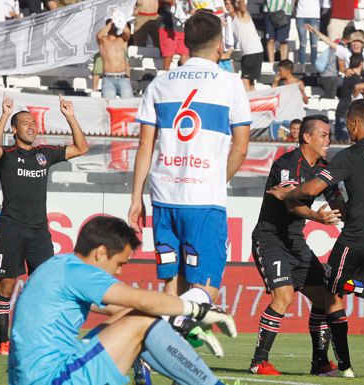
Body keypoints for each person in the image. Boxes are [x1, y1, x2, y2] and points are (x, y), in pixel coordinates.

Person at [269, 99, 364, 379]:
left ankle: (345, 367)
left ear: (354, 123)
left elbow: (314, 187)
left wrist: (287, 194)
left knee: (331, 296)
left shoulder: (350, 156)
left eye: (347, 125)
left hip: (357, 238)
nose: (345, 131)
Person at [129, 12, 251, 358]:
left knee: (173, 284)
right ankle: (172, 327)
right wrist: (215, 180)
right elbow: (241, 147)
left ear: (185, 41)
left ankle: (167, 362)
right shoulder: (229, 84)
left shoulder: (161, 83)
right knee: (207, 285)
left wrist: (136, 198)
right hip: (203, 199)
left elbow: (144, 146)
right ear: (221, 43)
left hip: (163, 198)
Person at [8, 216, 234, 385]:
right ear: (101, 252)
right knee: (142, 320)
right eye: (120, 263)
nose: (118, 272)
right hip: (54, 379)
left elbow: (125, 307)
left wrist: (178, 320)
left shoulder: (59, 266)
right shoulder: (80, 273)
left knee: (134, 316)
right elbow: (144, 301)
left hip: (39, 376)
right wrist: (199, 310)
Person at [0, 94, 89, 355]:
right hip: (11, 229)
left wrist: (70, 117)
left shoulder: (44, 154)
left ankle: (42, 340)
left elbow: (81, 148)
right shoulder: (7, 155)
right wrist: (5, 114)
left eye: (34, 123)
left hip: (40, 233)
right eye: (26, 123)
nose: (32, 127)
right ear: (15, 129)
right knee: (6, 286)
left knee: (44, 286)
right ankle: (3, 341)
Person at [248, 116, 348, 377]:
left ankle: (319, 363)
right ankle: (259, 362)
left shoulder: (324, 168)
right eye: (324, 135)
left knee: (324, 298)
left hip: (296, 241)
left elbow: (338, 203)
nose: (329, 139)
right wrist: (317, 217)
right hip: (271, 239)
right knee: (284, 297)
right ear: (307, 137)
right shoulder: (287, 164)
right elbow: (289, 202)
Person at [227, 0, 264, 90]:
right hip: (249, 52)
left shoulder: (242, 14)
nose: (227, 6)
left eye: (229, 4)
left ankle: (249, 101)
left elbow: (242, 5)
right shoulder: (229, 19)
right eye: (226, 4)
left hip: (252, 51)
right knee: (250, 82)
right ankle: (253, 100)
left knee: (245, 80)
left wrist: (239, 2)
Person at [97, 13, 133, 99]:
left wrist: (120, 22)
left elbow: (128, 33)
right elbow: (99, 35)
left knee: (127, 105)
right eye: (112, 23)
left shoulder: (122, 39)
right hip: (108, 78)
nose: (114, 26)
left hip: (123, 77)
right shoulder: (103, 41)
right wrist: (111, 23)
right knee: (108, 106)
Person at [159, 0, 191, 70]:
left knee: (185, 53)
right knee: (168, 55)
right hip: (168, 29)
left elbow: (191, 10)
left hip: (183, 29)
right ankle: (165, 73)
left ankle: (184, 74)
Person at [295, 0, 321, 67]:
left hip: (314, 16)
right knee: (302, 43)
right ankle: (302, 67)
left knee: (314, 44)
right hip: (300, 15)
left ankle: (314, 67)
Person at [264, 0, 292, 65]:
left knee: (283, 41)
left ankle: (284, 65)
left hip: (285, 10)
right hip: (269, 9)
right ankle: (271, 64)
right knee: (270, 39)